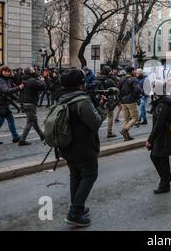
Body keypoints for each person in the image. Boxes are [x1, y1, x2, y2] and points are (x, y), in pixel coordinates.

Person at [54, 69, 106, 227]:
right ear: (80, 84)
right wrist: (102, 107)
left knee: (75, 176)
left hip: (67, 147)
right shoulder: (82, 100)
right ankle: (75, 212)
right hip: (83, 147)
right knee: (90, 175)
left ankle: (78, 207)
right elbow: (96, 122)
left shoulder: (62, 98)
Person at [145, 82, 171, 194]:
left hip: (163, 137)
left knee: (160, 159)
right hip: (162, 136)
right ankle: (167, 177)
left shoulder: (163, 105)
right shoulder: (162, 102)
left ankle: (164, 184)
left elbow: (159, 125)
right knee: (159, 158)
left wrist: (150, 140)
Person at [0, 66, 24, 146]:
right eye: (5, 71)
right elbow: (6, 90)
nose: (7, 73)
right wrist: (19, 87)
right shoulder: (0, 80)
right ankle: (15, 137)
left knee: (1, 121)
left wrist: (17, 99)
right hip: (1, 103)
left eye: (8, 71)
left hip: (2, 103)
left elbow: (9, 92)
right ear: (1, 72)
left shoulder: (6, 79)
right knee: (8, 120)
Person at [18, 67, 46, 146]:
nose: (35, 71)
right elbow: (43, 87)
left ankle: (42, 135)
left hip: (24, 103)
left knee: (34, 121)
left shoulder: (24, 80)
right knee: (30, 122)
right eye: (34, 71)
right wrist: (42, 80)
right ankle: (22, 140)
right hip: (30, 103)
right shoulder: (33, 80)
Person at [118, 66, 142, 141]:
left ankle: (126, 137)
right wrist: (135, 96)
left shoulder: (122, 79)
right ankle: (124, 129)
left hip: (123, 101)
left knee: (126, 119)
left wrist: (120, 99)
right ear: (131, 71)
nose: (135, 72)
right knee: (135, 118)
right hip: (131, 100)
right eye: (134, 71)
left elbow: (118, 89)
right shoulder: (134, 79)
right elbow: (138, 89)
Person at [94, 66, 117, 139]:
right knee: (110, 115)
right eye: (110, 71)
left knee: (100, 116)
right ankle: (109, 132)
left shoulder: (97, 79)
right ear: (108, 72)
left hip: (99, 100)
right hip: (108, 100)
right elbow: (115, 89)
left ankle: (94, 130)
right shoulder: (110, 80)